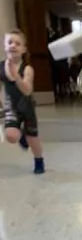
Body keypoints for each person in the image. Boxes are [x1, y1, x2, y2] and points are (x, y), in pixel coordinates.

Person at [1, 29, 45, 174]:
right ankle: (21, 137)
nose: (13, 45)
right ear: (4, 46)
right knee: (10, 136)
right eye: (10, 42)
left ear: (23, 50)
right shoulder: (1, 67)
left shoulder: (27, 69)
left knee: (33, 138)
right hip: (11, 107)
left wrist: (16, 76)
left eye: (17, 43)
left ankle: (39, 161)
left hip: (27, 107)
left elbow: (27, 90)